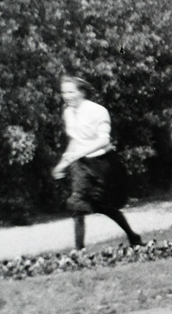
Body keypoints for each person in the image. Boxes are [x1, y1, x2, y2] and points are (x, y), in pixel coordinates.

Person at [53, 75, 141, 251]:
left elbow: (104, 140)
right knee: (76, 204)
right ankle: (79, 250)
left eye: (71, 92)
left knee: (103, 207)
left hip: (102, 164)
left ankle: (133, 236)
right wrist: (63, 163)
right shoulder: (68, 112)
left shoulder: (97, 110)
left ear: (82, 92)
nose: (67, 96)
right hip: (80, 164)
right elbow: (74, 140)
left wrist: (79, 153)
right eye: (64, 92)